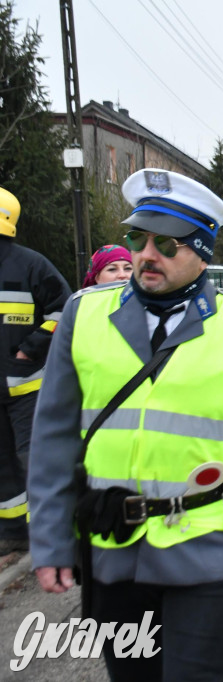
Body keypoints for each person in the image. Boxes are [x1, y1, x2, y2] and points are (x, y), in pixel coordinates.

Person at [27, 168, 223, 680]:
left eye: (166, 244)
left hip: (207, 547)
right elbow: (52, 438)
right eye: (136, 238)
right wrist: (50, 538)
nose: (145, 254)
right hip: (113, 547)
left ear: (201, 251)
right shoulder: (82, 315)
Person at [0, 187, 71, 556]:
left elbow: (63, 312)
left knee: (33, 459)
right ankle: (13, 533)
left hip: (27, 386)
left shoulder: (31, 265)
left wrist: (30, 351)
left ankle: (48, 529)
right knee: (4, 465)